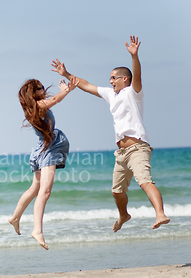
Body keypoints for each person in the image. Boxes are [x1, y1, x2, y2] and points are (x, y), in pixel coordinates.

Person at [51, 36, 170, 232]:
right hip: (121, 153)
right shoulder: (111, 95)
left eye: (114, 78)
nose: (110, 81)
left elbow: (137, 76)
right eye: (110, 78)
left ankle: (160, 214)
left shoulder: (134, 92)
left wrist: (134, 56)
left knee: (145, 182)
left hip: (138, 147)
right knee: (117, 192)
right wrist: (66, 73)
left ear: (124, 79)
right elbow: (86, 84)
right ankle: (124, 215)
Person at [9, 76, 79, 249]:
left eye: (41, 87)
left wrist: (66, 91)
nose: (43, 89)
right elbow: (55, 100)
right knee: (45, 191)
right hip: (48, 151)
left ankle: (15, 217)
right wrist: (66, 91)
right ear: (33, 93)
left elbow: (54, 100)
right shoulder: (39, 106)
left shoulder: (35, 107)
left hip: (43, 149)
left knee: (35, 188)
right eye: (39, 88)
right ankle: (37, 230)